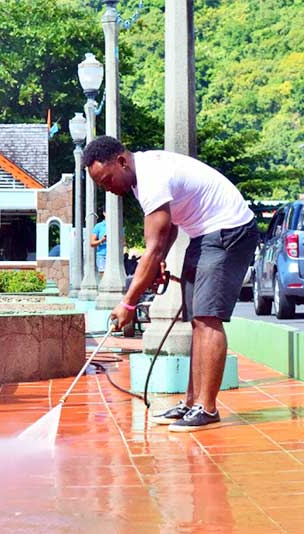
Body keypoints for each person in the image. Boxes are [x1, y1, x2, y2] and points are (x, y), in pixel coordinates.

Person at [82, 136, 257, 432]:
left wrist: (128, 303)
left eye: (107, 179)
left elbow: (153, 247)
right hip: (203, 234)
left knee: (207, 318)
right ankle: (191, 403)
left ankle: (207, 408)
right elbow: (169, 226)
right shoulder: (140, 178)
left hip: (229, 231)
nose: (108, 189)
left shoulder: (151, 177)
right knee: (196, 321)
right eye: (101, 185)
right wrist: (158, 264)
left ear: (121, 161)